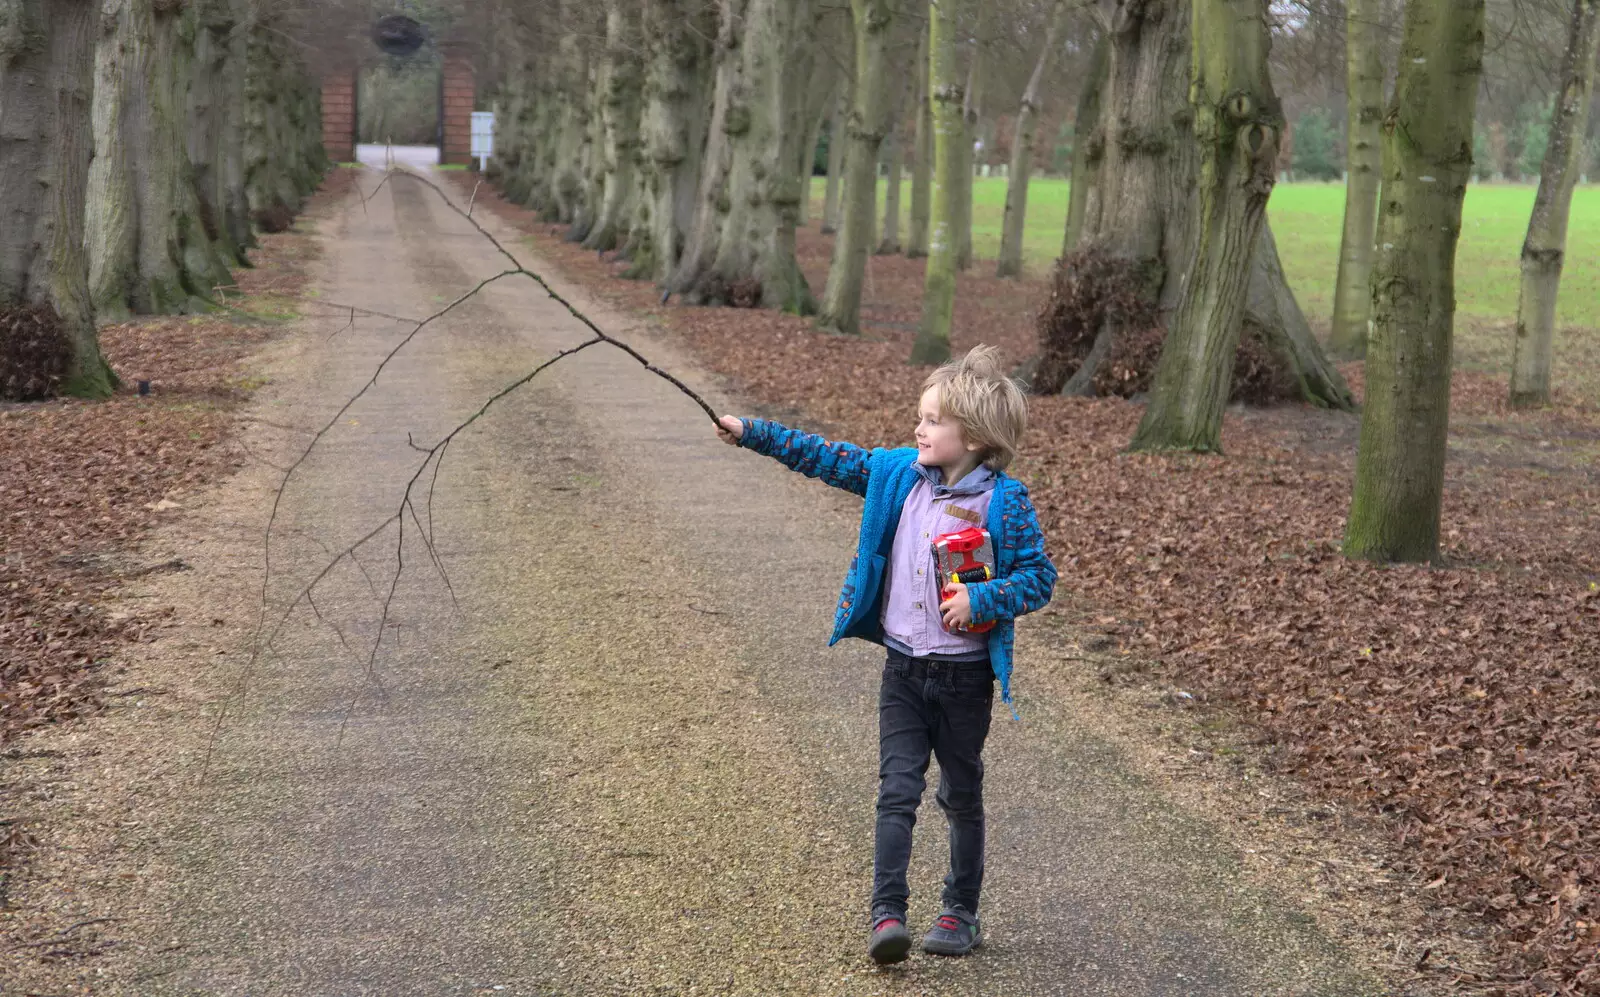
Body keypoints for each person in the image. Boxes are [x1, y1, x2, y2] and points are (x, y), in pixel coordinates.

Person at [714, 344, 1056, 963]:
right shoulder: (897, 474)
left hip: (963, 678)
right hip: (902, 669)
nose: (917, 428)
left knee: (959, 792)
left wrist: (984, 603)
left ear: (974, 437)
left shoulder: (1005, 504)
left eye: (931, 421)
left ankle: (959, 912)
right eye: (919, 417)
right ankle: (886, 916)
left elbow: (1039, 578)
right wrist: (753, 432)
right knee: (896, 790)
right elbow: (828, 457)